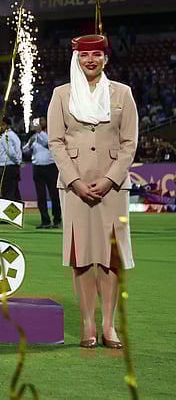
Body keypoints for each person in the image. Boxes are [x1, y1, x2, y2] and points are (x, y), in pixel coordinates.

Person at [47, 33, 137, 349]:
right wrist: (74, 181)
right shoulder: (62, 95)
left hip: (113, 188)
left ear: (105, 59)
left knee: (111, 257)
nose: (91, 60)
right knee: (82, 257)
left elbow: (129, 143)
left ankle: (109, 326)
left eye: (97, 54)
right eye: (85, 55)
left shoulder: (122, 94)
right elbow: (55, 142)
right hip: (74, 187)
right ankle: (88, 325)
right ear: (77, 58)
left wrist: (111, 179)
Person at [27, 117, 61, 229]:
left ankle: (57, 220)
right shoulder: (34, 137)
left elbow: (48, 143)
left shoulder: (50, 135)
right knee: (40, 196)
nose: (36, 124)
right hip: (37, 168)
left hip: (50, 168)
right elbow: (25, 150)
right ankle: (45, 220)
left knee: (54, 195)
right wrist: (28, 145)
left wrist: (39, 132)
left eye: (39, 122)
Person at [0, 118, 23, 201]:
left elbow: (10, 152)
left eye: (2, 125)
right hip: (12, 167)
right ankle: (18, 210)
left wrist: (18, 162)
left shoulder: (6, 136)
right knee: (14, 191)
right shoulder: (13, 135)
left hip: (7, 167)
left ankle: (9, 213)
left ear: (7, 126)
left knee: (7, 192)